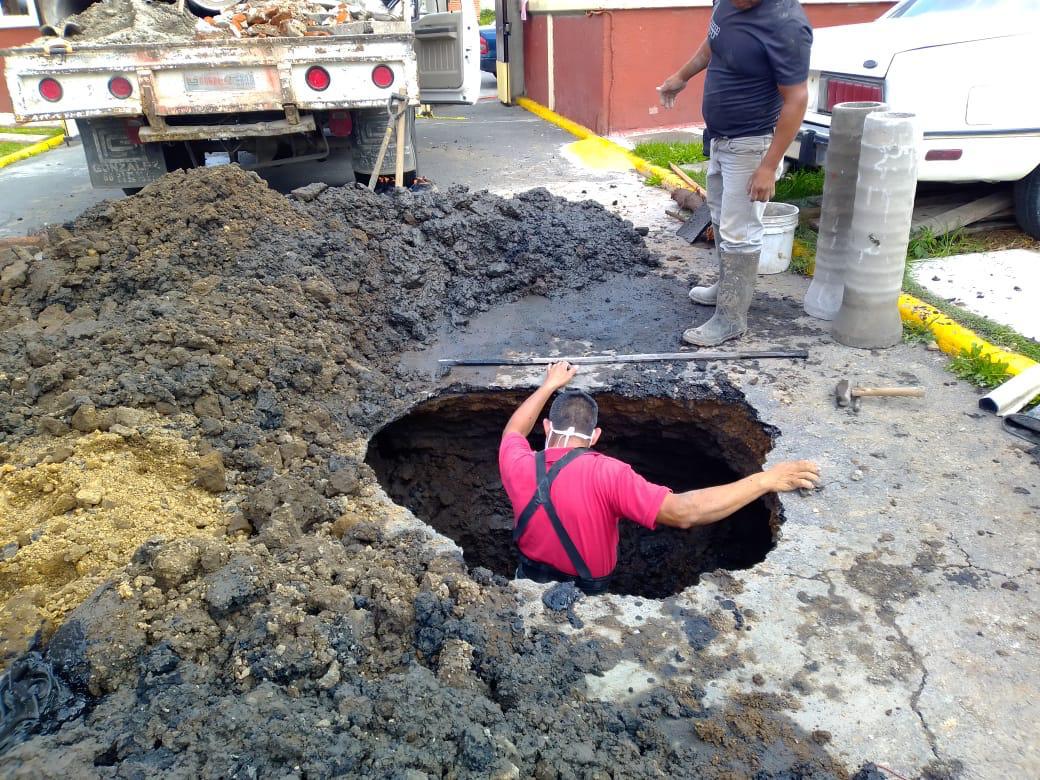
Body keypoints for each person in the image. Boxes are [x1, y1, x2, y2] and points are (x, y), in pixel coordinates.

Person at [498, 362, 821, 593]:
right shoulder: (608, 473)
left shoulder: (518, 462)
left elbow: (515, 429)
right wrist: (765, 480)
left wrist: (548, 385)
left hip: (529, 580)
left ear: (546, 428)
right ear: (595, 436)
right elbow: (684, 512)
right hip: (587, 591)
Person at [657, 0, 813, 346]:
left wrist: (769, 166)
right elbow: (713, 42)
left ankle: (731, 318)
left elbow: (797, 98)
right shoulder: (726, 3)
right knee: (723, 216)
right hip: (720, 138)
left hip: (751, 144)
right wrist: (681, 76)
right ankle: (726, 290)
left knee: (740, 229)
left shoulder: (786, 25)